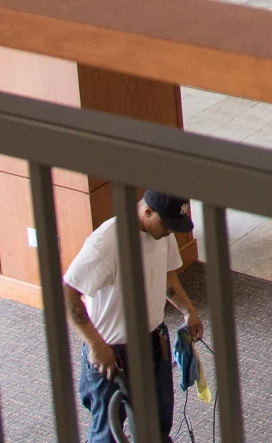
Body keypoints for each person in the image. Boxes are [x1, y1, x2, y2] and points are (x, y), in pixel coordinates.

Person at [62, 189, 205, 443]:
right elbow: (68, 293)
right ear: (147, 211)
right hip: (112, 353)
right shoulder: (107, 242)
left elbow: (167, 277)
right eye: (167, 225)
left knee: (157, 427)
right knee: (107, 431)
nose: (170, 232)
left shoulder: (162, 232)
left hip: (153, 342)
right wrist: (96, 345)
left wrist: (188, 311)